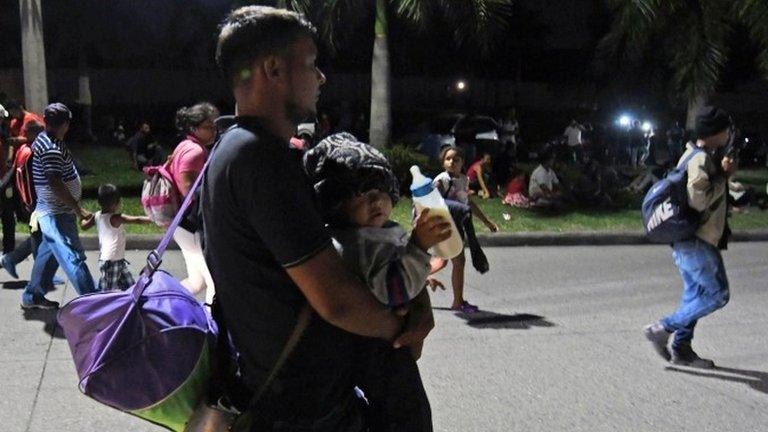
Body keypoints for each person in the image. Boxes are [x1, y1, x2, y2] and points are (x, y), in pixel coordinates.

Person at [203, 6, 438, 430]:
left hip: (292, 395)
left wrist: (414, 298)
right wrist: (399, 329)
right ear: (273, 69)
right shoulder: (259, 160)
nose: (321, 78)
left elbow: (349, 252)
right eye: (311, 64)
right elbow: (337, 299)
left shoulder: (235, 149)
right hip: (304, 409)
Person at [304, 133, 447, 431]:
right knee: (408, 413)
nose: (375, 200)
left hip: (380, 342)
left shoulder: (373, 233)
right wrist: (419, 248)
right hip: (376, 345)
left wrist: (420, 276)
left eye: (381, 190)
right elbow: (392, 290)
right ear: (335, 204)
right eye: (361, 193)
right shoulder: (358, 244)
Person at [644, 106, 737, 369]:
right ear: (715, 133)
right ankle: (663, 328)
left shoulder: (695, 155)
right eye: (726, 130)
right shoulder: (699, 159)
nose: (729, 134)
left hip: (687, 241)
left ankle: (682, 350)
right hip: (696, 241)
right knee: (718, 294)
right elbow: (698, 200)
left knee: (695, 295)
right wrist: (724, 178)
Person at [21, 103, 96, 309]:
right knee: (73, 257)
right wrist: (78, 209)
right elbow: (55, 182)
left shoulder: (44, 139)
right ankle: (95, 301)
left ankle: (32, 296)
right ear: (65, 124)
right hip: (57, 212)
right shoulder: (52, 148)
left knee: (48, 254)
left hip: (50, 209)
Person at [433, 146, 499, 313]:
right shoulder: (442, 180)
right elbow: (431, 203)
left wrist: (486, 221)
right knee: (459, 261)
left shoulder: (462, 179)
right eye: (448, 159)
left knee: (442, 261)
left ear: (463, 162)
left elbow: (468, 203)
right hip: (445, 228)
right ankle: (458, 302)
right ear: (443, 163)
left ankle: (410, 279)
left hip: (457, 226)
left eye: (456, 159)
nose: (452, 162)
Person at [168, 102, 219, 304]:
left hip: (180, 225)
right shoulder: (195, 151)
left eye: (215, 126)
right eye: (208, 127)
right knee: (215, 282)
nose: (214, 131)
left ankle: (165, 305)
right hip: (190, 225)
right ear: (194, 128)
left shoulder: (184, 145)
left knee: (197, 282)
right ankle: (211, 326)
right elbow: (186, 185)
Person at [80, 184, 151, 291]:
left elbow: (84, 226)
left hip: (117, 260)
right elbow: (138, 220)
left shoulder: (97, 215)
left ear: (99, 202)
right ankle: (101, 306)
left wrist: (81, 217)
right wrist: (154, 218)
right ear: (116, 203)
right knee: (107, 291)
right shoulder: (116, 218)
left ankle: (133, 304)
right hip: (111, 261)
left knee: (131, 287)